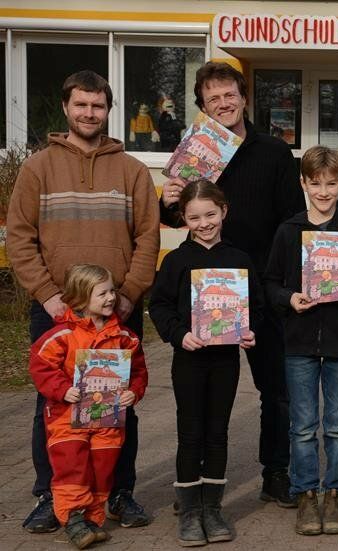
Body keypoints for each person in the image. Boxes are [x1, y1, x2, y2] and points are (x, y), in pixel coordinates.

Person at [7, 70, 159, 533]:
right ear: (66, 108)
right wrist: (51, 298)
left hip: (117, 311)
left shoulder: (131, 170)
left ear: (108, 110)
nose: (89, 113)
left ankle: (119, 492)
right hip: (57, 313)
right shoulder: (37, 168)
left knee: (119, 403)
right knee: (52, 405)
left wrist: (129, 295)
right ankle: (49, 496)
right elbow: (19, 239)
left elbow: (148, 238)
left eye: (97, 105)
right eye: (81, 105)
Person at [160, 62, 306, 507]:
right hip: (205, 289)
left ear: (244, 97)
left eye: (229, 95)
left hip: (261, 285)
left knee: (276, 388)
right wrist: (165, 201)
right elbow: (175, 215)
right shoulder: (195, 151)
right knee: (205, 391)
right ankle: (197, 483)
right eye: (212, 99)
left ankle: (276, 472)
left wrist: (281, 283)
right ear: (203, 107)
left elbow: (291, 221)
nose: (223, 103)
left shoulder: (274, 152)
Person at [264, 145, 338, 536]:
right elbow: (270, 283)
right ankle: (306, 493)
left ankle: (336, 492)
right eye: (316, 183)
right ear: (303, 183)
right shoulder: (289, 230)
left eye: (331, 183)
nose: (323, 191)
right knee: (304, 425)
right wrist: (288, 298)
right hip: (299, 343)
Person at [149, 180, 263, 546]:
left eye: (210, 214)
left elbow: (256, 307)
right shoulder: (176, 261)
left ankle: (212, 508)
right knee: (190, 433)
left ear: (224, 211)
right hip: (189, 361)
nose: (204, 223)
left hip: (225, 362)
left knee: (217, 433)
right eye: (194, 217)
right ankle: (190, 510)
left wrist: (250, 331)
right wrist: (179, 333)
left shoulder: (239, 260)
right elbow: (160, 306)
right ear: (183, 218)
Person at [28, 264, 148, 549]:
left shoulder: (124, 337)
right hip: (66, 418)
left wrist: (133, 392)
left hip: (107, 419)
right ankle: (72, 518)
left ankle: (93, 518)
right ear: (81, 298)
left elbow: (139, 371)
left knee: (102, 467)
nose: (111, 298)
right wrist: (62, 390)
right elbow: (41, 366)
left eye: (112, 292)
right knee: (72, 467)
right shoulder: (62, 335)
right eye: (102, 294)